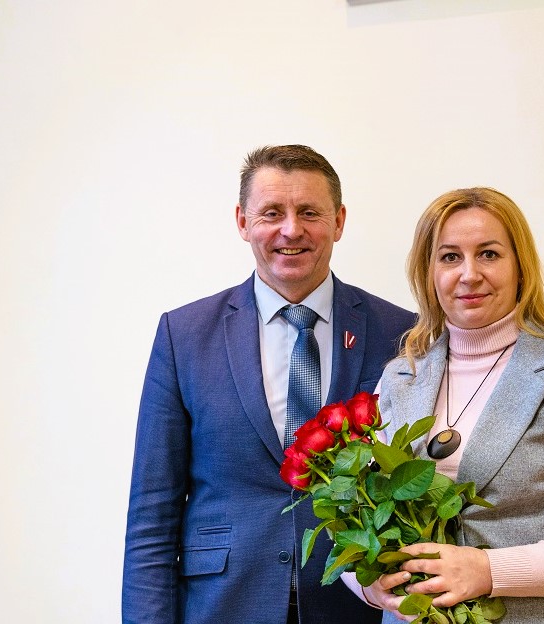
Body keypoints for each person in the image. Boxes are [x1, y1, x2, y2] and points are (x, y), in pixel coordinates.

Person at [122, 145, 417, 624]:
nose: (291, 230)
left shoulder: (400, 333)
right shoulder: (185, 335)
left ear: (339, 221)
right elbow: (152, 514)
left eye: (310, 213)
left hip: (353, 607)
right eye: (272, 213)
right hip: (224, 604)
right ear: (243, 222)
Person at [358, 187, 544, 623]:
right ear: (429, 272)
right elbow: (360, 518)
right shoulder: (400, 377)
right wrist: (368, 585)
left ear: (520, 268)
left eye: (489, 254)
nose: (469, 274)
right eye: (450, 257)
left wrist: (489, 571)